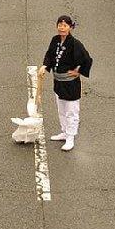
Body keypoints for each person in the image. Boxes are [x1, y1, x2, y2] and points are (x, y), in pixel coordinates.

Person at [39, 15, 93, 151]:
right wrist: (45, 66)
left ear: (70, 27)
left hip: (71, 84)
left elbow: (87, 59)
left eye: (65, 25)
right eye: (60, 25)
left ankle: (70, 137)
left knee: (71, 111)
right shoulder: (55, 40)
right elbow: (50, 55)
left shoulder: (75, 43)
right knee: (61, 109)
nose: (62, 27)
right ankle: (64, 132)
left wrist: (78, 72)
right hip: (58, 82)